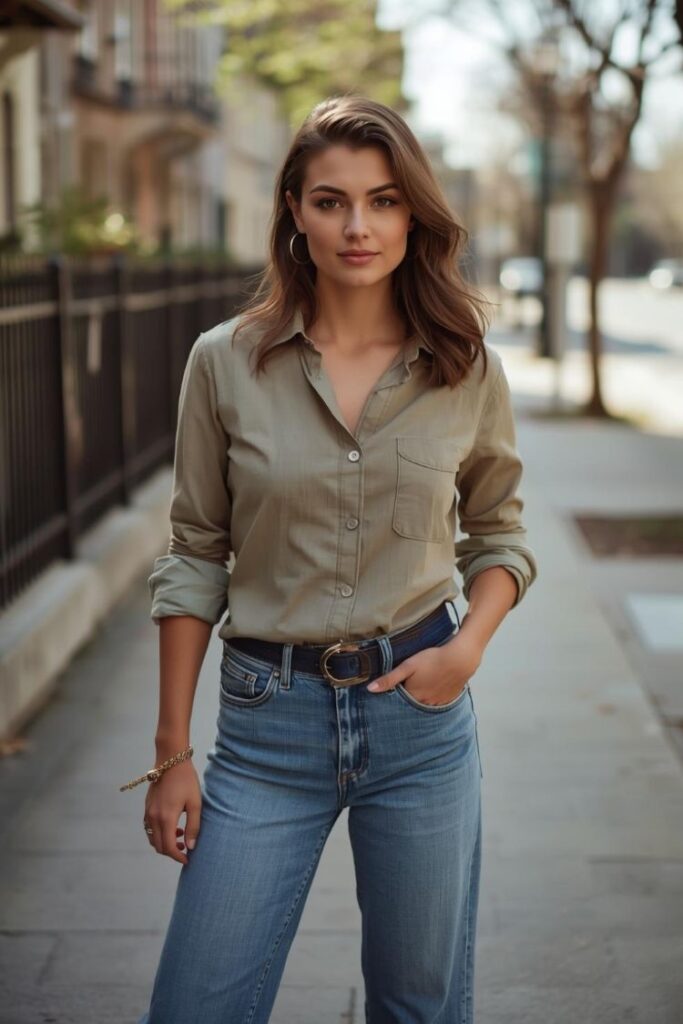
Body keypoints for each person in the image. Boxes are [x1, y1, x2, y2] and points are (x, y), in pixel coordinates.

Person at [130, 94, 538, 1024]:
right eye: (331, 200)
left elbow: (500, 535)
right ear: (292, 212)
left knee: (418, 1008)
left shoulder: (463, 363)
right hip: (266, 731)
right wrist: (169, 754)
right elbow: (194, 551)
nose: (359, 226)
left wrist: (466, 649)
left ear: (413, 213)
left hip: (420, 723)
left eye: (385, 200)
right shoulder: (223, 362)